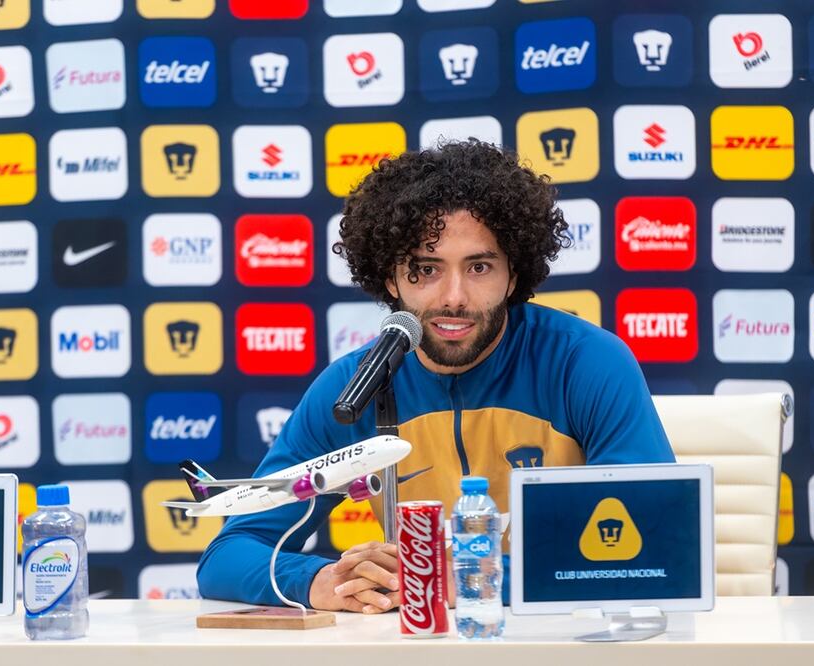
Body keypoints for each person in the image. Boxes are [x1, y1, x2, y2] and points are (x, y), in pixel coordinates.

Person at [197, 139, 674, 614]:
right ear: (391, 278)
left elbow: (651, 539)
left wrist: (465, 583)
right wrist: (320, 581)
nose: (454, 296)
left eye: (479, 267)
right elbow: (229, 554)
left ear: (513, 276)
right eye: (426, 269)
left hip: (564, 640)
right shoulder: (355, 388)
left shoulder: (584, 363)